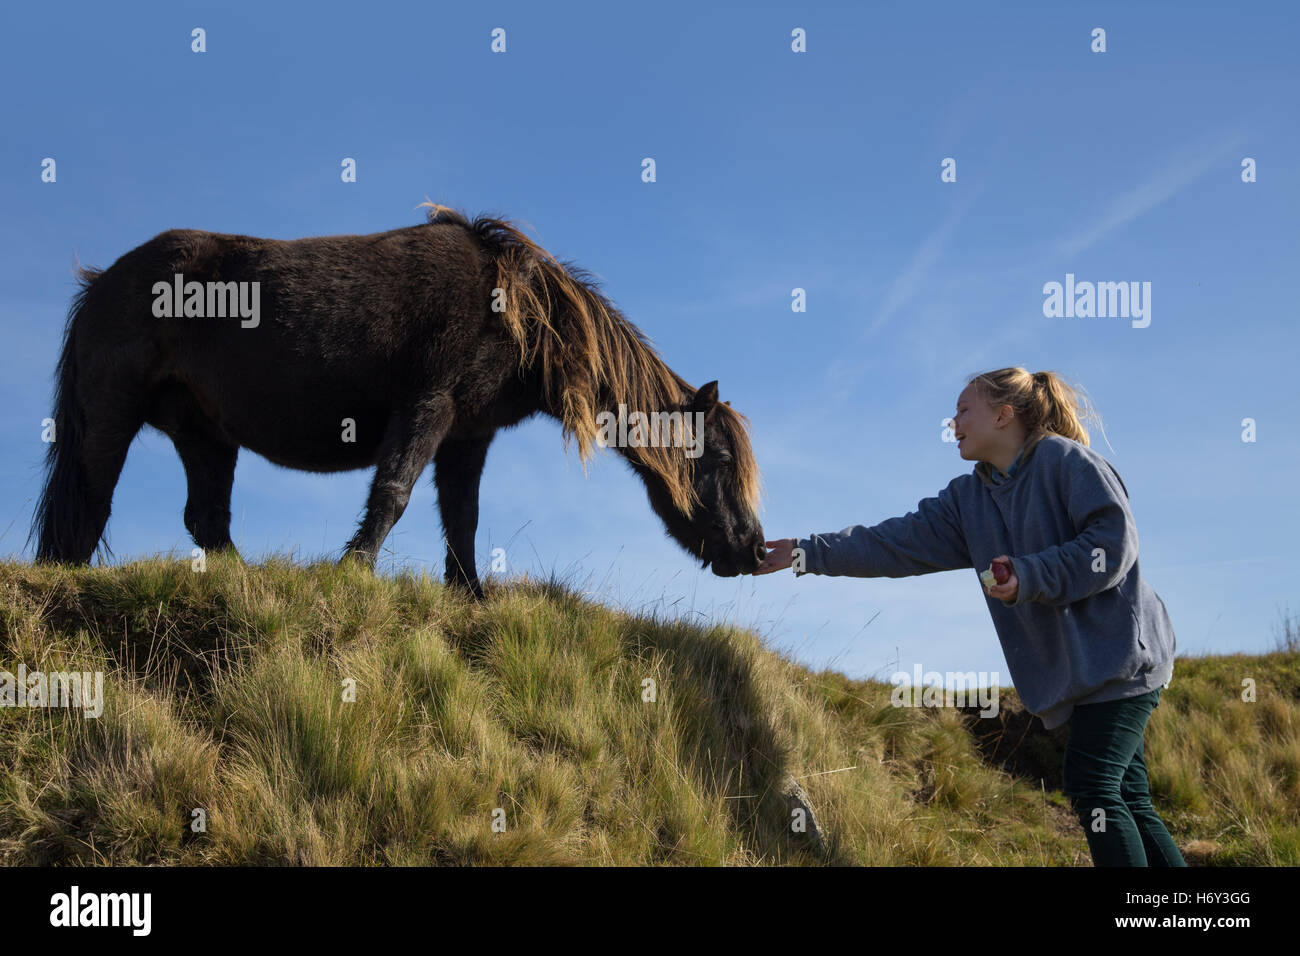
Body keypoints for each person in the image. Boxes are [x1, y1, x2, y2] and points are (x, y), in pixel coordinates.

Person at [754, 367, 1186, 867]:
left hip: (1125, 658)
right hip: (1079, 675)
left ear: (1004, 415)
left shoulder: (1065, 462)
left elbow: (1112, 545)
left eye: (964, 410)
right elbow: (893, 543)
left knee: (1093, 787)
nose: (953, 421)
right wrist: (808, 552)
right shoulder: (968, 499)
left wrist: (1029, 575)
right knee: (1127, 797)